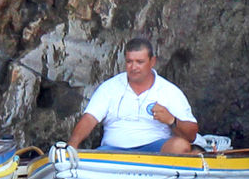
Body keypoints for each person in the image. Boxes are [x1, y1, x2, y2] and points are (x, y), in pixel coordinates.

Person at [70, 37, 199, 153]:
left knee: (180, 146)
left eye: (140, 62)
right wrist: (73, 144)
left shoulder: (169, 91)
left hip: (156, 149)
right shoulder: (110, 88)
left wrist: (172, 120)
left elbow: (191, 135)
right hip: (114, 150)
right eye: (129, 62)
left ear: (152, 61)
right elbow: (89, 118)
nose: (134, 67)